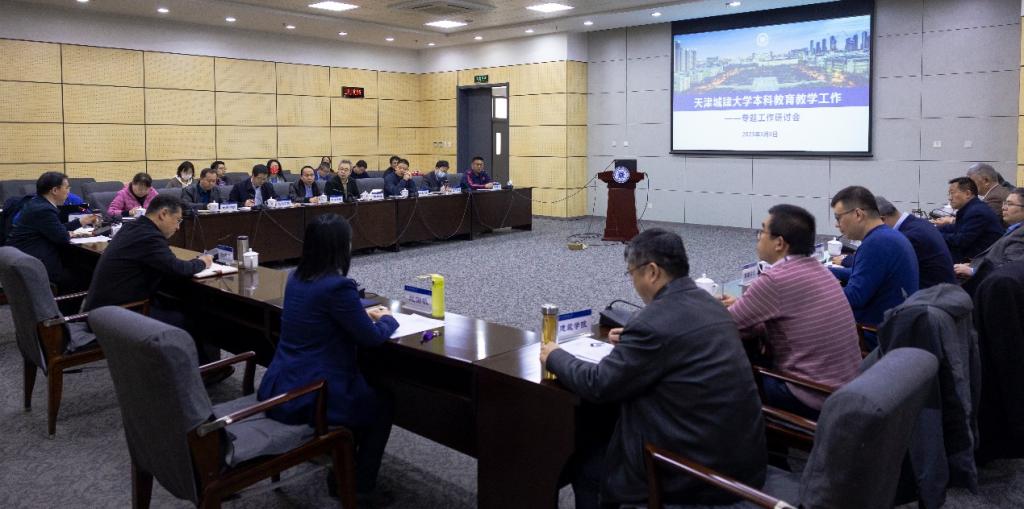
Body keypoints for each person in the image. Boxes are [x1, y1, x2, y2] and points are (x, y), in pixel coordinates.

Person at [541, 229, 766, 508]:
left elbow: (599, 384)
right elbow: (676, 342)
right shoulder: (711, 304)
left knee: (588, 466)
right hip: (742, 461)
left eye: (631, 273)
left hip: (695, 476)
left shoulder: (651, 322)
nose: (633, 282)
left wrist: (555, 355)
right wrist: (633, 341)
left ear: (652, 272)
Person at [258, 214, 398, 502]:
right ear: (339, 248)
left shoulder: (295, 276)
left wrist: (357, 312)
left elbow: (325, 313)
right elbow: (370, 338)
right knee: (382, 403)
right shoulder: (337, 286)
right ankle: (360, 487)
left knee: (368, 391)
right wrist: (387, 319)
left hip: (281, 382)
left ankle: (343, 466)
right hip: (313, 393)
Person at [721, 205, 861, 419]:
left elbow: (726, 324)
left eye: (762, 231)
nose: (758, 237)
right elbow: (791, 317)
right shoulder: (821, 270)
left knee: (733, 372)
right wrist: (745, 307)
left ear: (779, 243)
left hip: (811, 397)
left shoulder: (775, 279)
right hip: (846, 392)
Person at [829, 186, 919, 349]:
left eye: (838, 217)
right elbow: (867, 274)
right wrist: (826, 272)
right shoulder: (889, 236)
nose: (837, 225)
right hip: (898, 328)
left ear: (858, 214)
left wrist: (819, 288)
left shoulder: (876, 244)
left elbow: (854, 298)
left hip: (874, 335)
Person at [839, 196, 955, 289]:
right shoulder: (917, 224)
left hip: (930, 299)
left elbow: (875, 268)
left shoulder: (908, 237)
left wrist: (845, 260)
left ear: (881, 219)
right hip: (941, 292)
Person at [6, 171, 99, 287]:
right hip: (37, 264)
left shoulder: (37, 202)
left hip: (25, 256)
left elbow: (55, 228)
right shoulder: (44, 210)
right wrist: (68, 233)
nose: (69, 191)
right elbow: (62, 237)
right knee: (90, 273)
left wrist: (81, 221)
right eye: (67, 187)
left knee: (82, 265)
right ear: (55, 190)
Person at [955, 187, 1024, 285]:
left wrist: (973, 271)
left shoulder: (1021, 234)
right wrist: (974, 264)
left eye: (1010, 204)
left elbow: (1010, 269)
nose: (1004, 208)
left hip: (986, 284)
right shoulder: (1014, 229)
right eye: (1005, 203)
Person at [934, 177, 1003, 262]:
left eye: (952, 193)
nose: (950, 198)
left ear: (967, 194)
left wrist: (935, 235)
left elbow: (961, 241)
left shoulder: (977, 212)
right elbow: (956, 228)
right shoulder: (971, 208)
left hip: (980, 261)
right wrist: (933, 229)